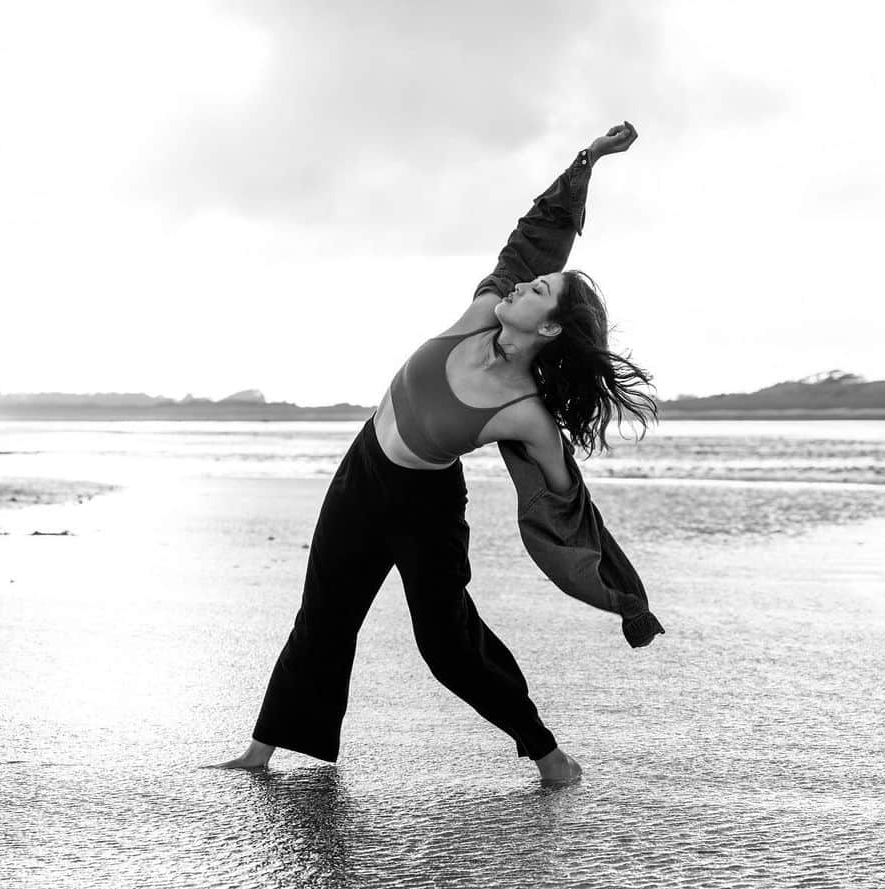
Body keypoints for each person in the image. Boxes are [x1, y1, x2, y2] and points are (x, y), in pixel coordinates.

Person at [207, 121, 660, 784]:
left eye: (540, 291)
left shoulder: (525, 414)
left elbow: (567, 507)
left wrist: (620, 591)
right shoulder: (484, 313)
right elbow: (531, 239)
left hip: (425, 505)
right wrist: (585, 162)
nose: (523, 285)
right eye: (530, 282)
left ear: (553, 326)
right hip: (364, 471)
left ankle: (547, 754)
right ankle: (262, 748)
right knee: (325, 612)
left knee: (447, 644)